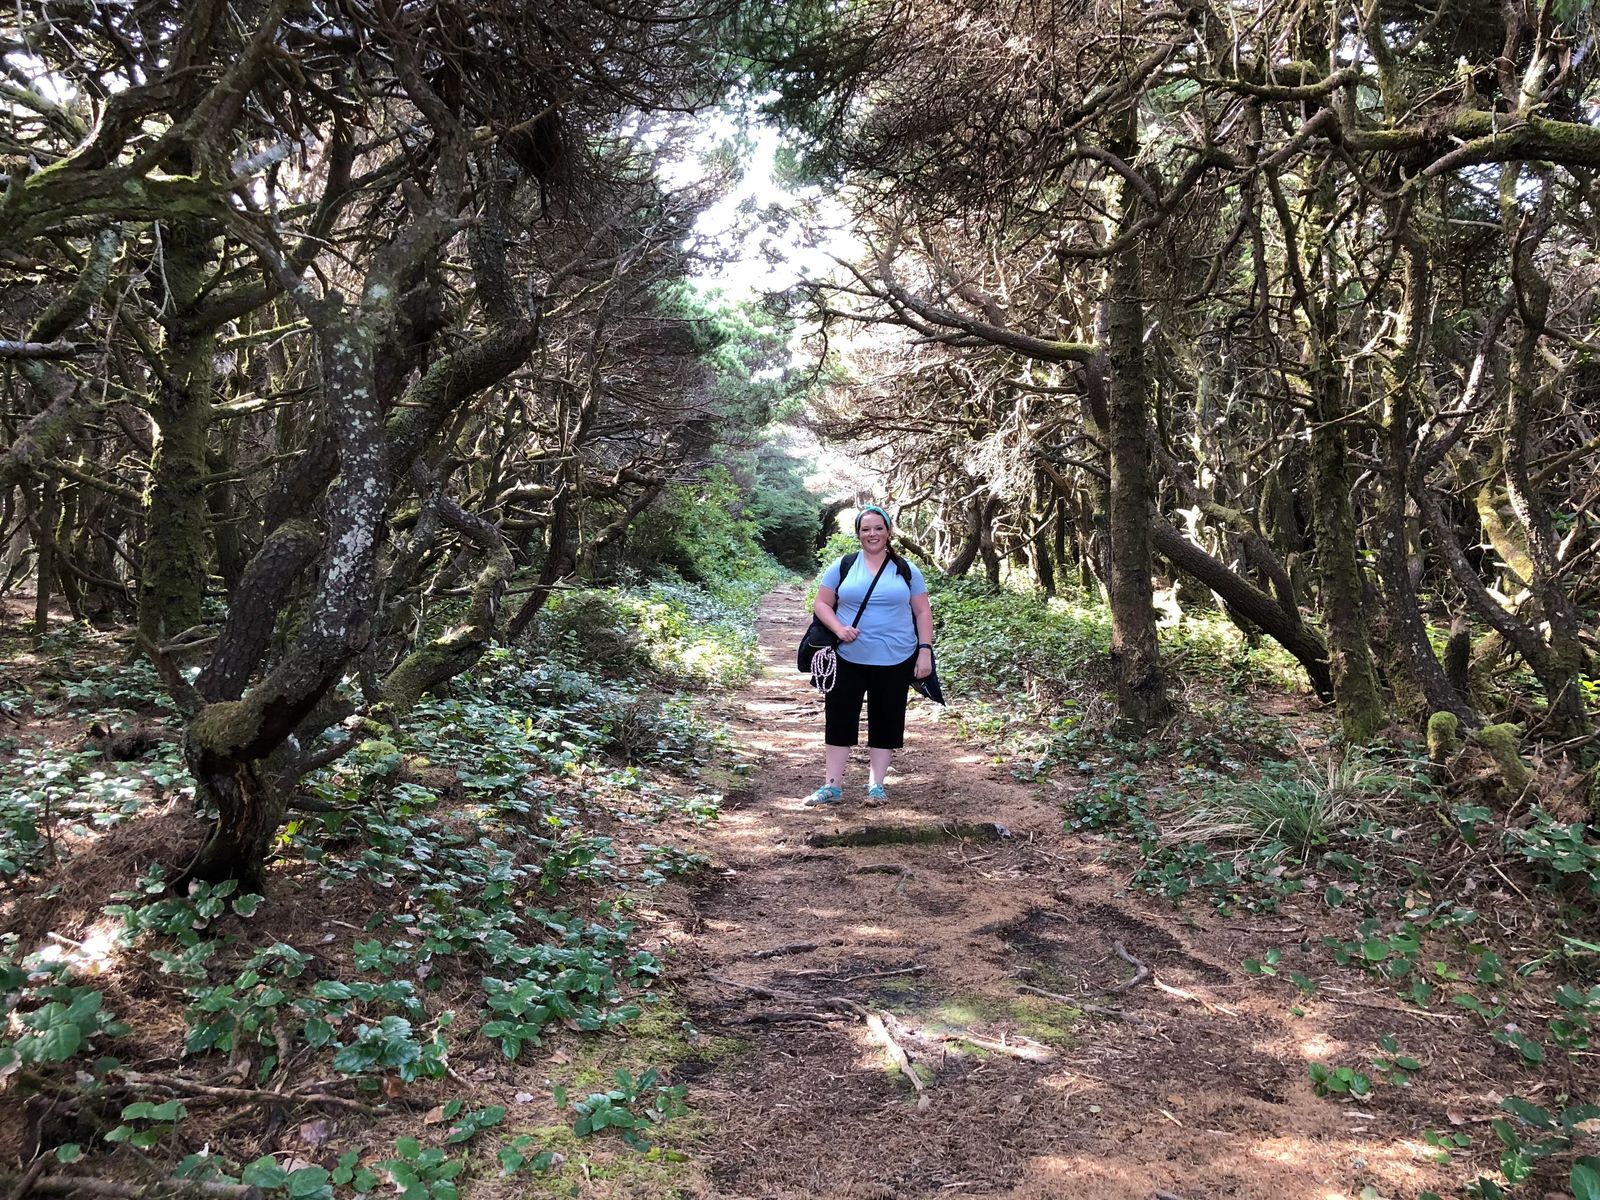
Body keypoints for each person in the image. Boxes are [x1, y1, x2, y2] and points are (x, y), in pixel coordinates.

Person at [806, 505, 935, 806]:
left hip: (896, 657)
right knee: (839, 719)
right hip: (848, 657)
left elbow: (922, 611)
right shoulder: (844, 565)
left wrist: (924, 651)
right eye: (866, 529)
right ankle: (832, 786)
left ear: (888, 531)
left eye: (878, 528)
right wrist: (839, 629)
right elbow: (822, 604)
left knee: (887, 720)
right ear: (858, 534)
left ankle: (876, 785)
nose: (872, 534)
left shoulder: (906, 569)